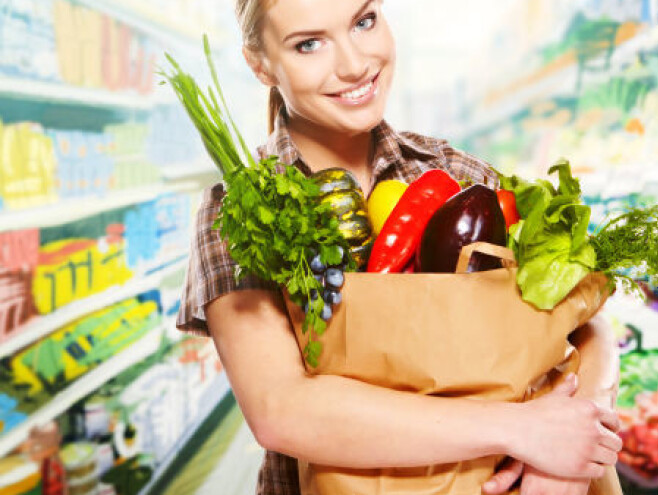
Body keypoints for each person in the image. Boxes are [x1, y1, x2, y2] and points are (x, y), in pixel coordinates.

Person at [175, 0, 623, 494]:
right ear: (260, 65)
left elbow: (584, 321)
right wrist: (523, 431)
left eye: (363, 21)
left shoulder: (454, 172)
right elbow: (280, 409)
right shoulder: (240, 214)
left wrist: (575, 434)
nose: (354, 64)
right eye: (309, 44)